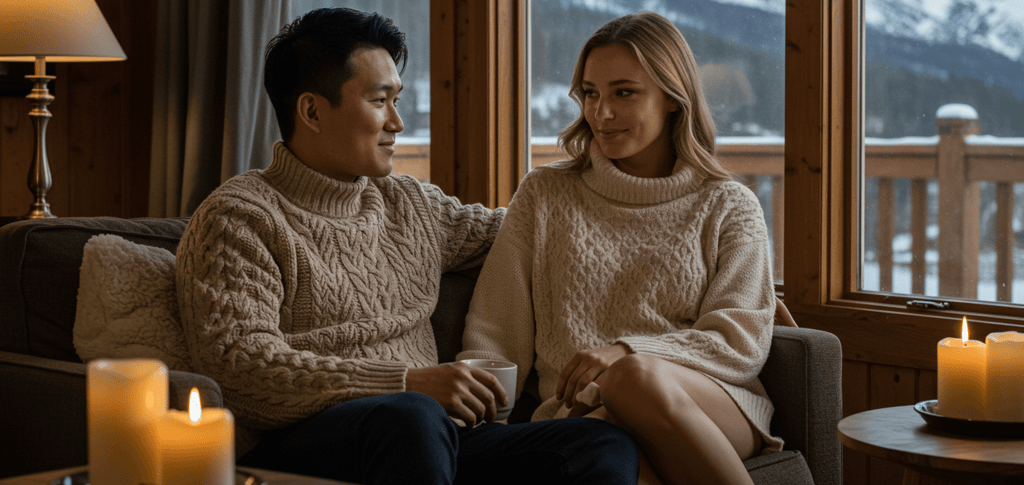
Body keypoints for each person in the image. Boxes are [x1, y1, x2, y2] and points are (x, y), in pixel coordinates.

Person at [175, 7, 639, 485]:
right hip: (306, 436)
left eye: (396, 100)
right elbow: (240, 366)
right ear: (311, 111)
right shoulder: (239, 217)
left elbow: (530, 231)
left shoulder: (411, 204)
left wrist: (656, 208)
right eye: (380, 101)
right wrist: (407, 382)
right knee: (410, 417)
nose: (397, 122)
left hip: (429, 433)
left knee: (600, 443)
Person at [458, 11, 783, 485]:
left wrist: (625, 352)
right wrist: (481, 429)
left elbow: (739, 343)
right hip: (587, 418)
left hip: (712, 404)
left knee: (630, 380)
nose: (601, 113)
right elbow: (495, 328)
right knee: (608, 437)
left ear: (672, 97)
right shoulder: (545, 194)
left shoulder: (729, 205)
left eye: (624, 93)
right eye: (591, 93)